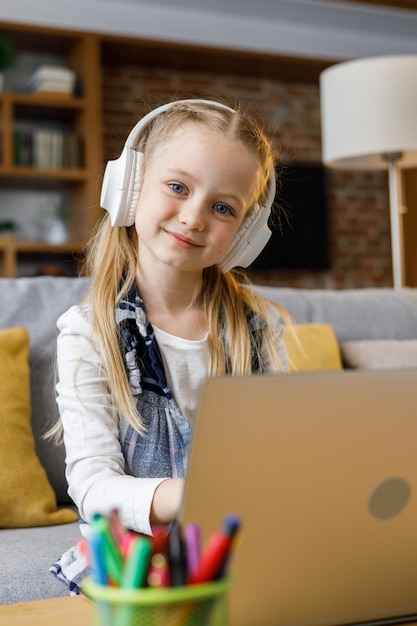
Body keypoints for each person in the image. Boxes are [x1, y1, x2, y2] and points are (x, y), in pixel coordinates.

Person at [49, 98, 289, 593]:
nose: (194, 217)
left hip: (238, 554)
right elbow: (94, 490)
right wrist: (204, 493)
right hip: (135, 565)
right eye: (177, 187)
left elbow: (281, 459)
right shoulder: (88, 332)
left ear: (244, 234)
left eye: (223, 208)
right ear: (130, 188)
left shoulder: (257, 329)